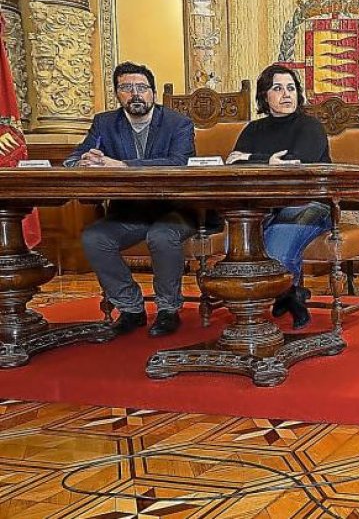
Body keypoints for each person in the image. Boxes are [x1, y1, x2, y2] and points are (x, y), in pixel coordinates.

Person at [67, 62, 197, 337]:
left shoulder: (178, 123)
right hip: (128, 213)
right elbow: (73, 158)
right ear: (117, 93)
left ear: (153, 92)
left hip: (175, 211)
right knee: (94, 237)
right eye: (126, 88)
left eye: (141, 88)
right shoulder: (105, 123)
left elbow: (180, 163)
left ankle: (168, 309)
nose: (135, 94)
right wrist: (84, 160)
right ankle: (130, 307)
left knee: (162, 235)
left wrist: (123, 165)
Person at [227, 64, 332, 330]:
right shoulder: (253, 130)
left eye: (291, 88)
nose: (286, 94)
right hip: (263, 207)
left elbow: (297, 164)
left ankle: (285, 294)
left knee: (274, 249)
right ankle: (290, 295)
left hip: (308, 204)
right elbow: (232, 164)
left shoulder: (311, 127)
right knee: (235, 244)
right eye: (277, 88)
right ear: (264, 97)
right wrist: (267, 161)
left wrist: (254, 160)